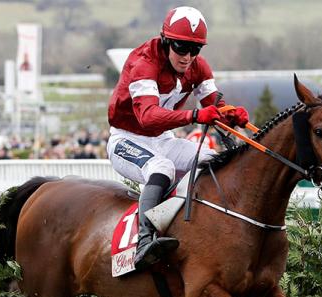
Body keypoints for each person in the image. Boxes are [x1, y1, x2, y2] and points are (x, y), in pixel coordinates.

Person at [106, 6, 249, 270]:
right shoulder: (144, 63)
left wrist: (230, 114)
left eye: (195, 50)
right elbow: (147, 116)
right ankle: (144, 241)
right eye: (181, 47)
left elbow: (214, 105)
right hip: (127, 140)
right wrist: (195, 115)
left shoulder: (198, 67)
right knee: (163, 168)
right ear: (165, 40)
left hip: (163, 139)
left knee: (211, 159)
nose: (187, 57)